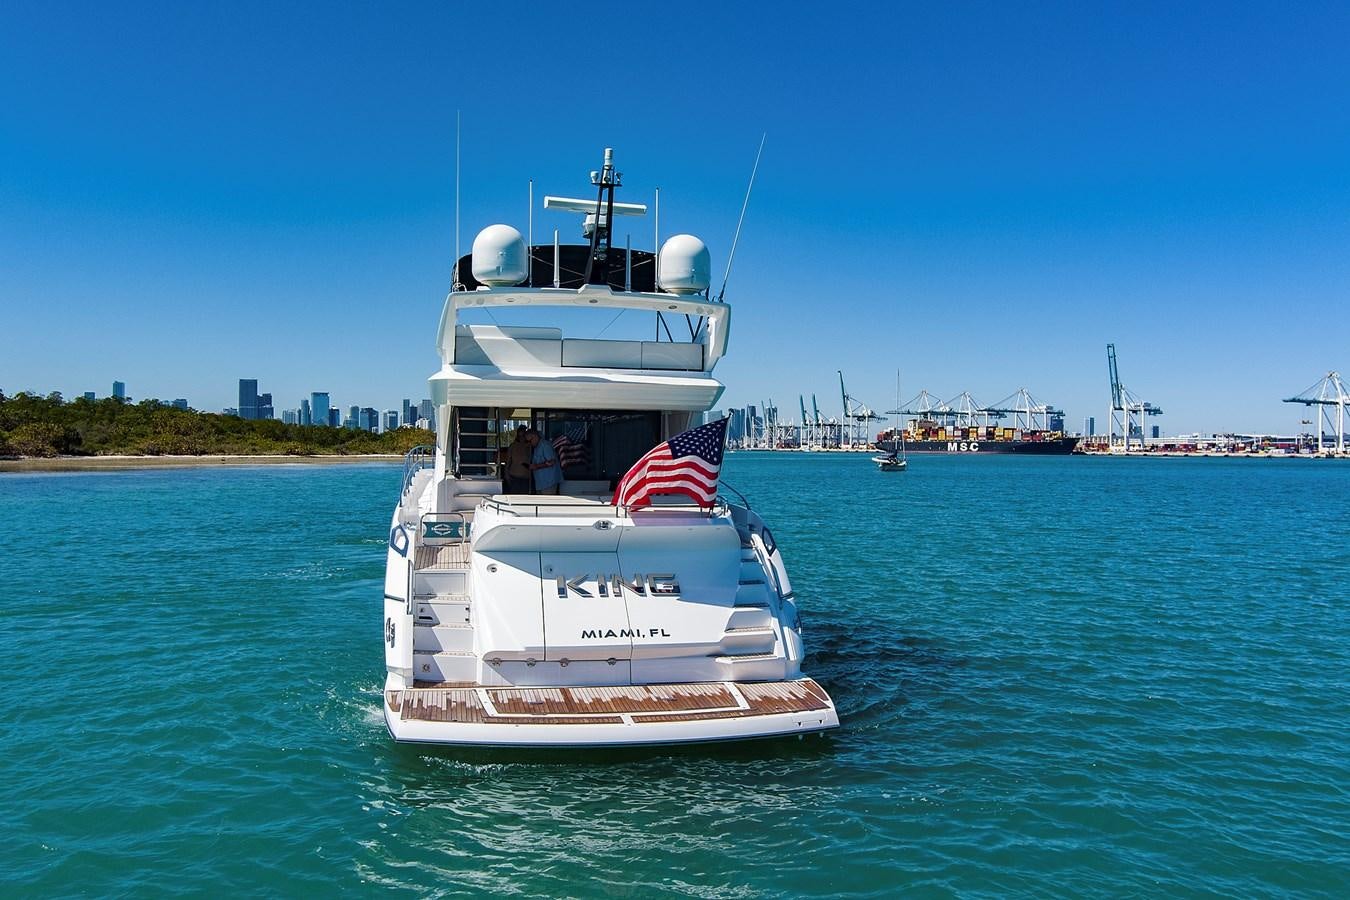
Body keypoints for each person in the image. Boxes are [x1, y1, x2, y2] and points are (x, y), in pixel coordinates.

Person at [528, 428, 562, 495]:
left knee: (548, 501)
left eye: (529, 441)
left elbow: (552, 462)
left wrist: (536, 466)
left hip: (548, 483)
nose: (529, 443)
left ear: (535, 436)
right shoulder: (536, 447)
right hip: (541, 483)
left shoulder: (545, 445)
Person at [505, 425, 532, 494]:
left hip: (526, 477)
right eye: (521, 433)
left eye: (524, 433)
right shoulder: (512, 446)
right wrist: (506, 474)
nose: (522, 436)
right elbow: (508, 461)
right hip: (514, 476)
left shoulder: (530, 446)